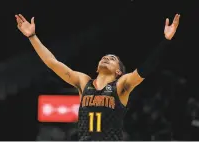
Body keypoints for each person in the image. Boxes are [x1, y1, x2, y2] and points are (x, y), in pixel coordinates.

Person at [15, 13, 180, 140]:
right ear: (97, 67)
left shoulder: (121, 85)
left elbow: (145, 69)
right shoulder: (83, 81)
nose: (107, 58)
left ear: (119, 72)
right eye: (105, 57)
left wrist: (165, 41)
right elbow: (52, 62)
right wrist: (32, 36)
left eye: (112, 59)